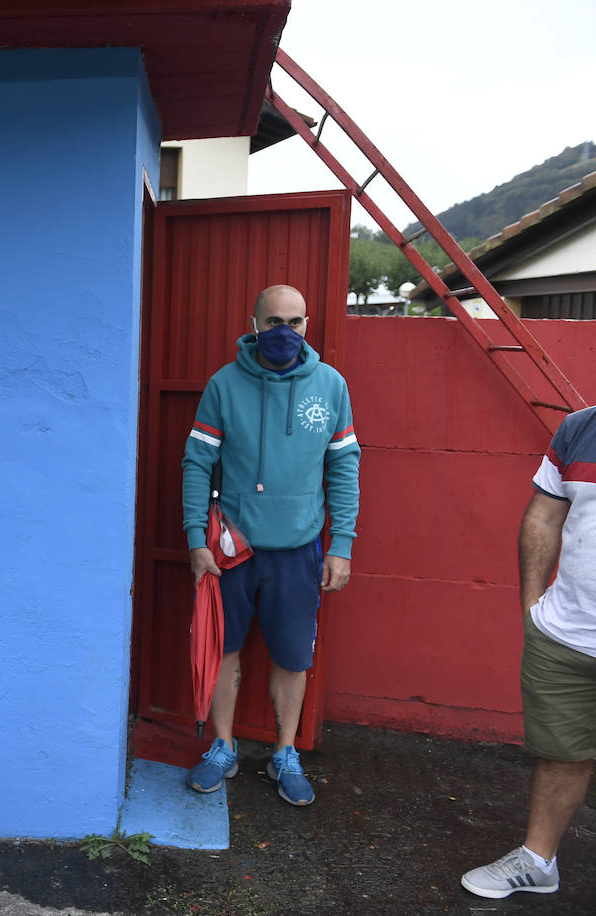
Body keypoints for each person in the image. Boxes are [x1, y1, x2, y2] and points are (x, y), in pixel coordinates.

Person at [180, 284, 360, 806]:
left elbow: (344, 466)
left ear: (308, 325)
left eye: (296, 322)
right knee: (225, 648)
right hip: (231, 551)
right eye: (275, 321)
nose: (286, 332)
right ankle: (222, 747)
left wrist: (340, 544)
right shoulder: (224, 385)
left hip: (300, 550)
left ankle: (284, 752)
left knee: (291, 657)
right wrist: (197, 540)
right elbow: (197, 464)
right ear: (254, 323)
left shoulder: (330, 386)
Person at [461, 403, 596, 899]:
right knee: (560, 756)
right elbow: (543, 517)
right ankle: (538, 862)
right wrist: (532, 609)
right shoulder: (581, 428)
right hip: (566, 637)